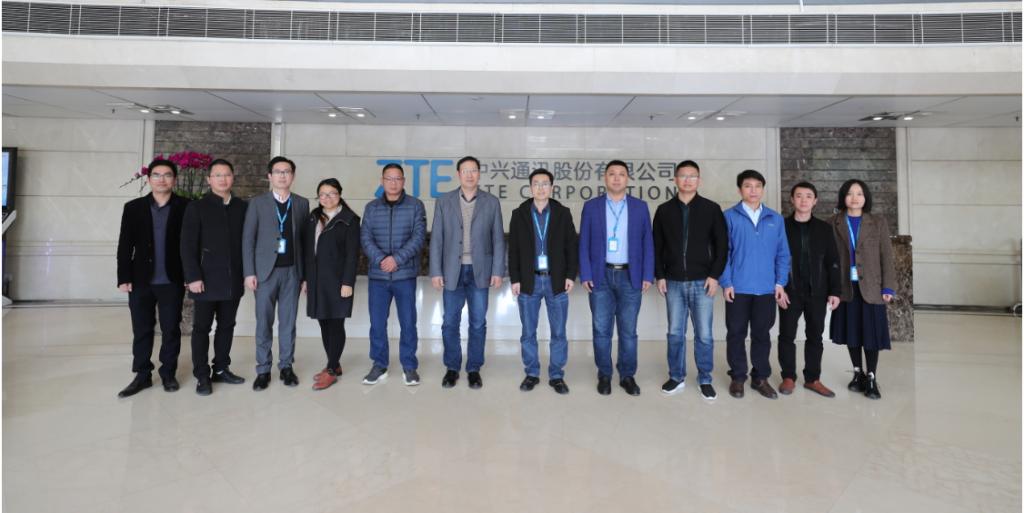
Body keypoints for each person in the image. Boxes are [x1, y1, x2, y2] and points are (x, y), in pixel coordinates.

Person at [652, 160, 728, 401]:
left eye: (692, 176)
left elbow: (722, 246)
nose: (687, 180)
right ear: (675, 179)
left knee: (704, 334)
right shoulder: (664, 210)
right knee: (675, 333)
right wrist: (660, 275)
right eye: (683, 176)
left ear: (699, 180)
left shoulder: (711, 209)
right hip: (673, 281)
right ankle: (676, 376)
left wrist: (714, 275)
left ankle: (705, 378)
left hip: (703, 281)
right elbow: (656, 247)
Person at [115, 158, 190, 398]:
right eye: (156, 175)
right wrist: (123, 277)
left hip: (172, 279)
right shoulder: (133, 208)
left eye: (167, 175)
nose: (161, 179)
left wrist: (191, 274)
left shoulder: (186, 207)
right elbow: (125, 245)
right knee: (142, 329)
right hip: (140, 280)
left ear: (174, 180)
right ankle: (142, 375)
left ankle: (168, 373)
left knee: (171, 329)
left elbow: (191, 245)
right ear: (148, 179)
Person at [429, 156, 506, 390]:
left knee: (478, 323)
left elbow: (498, 239)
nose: (470, 175)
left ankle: (474, 369)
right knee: (449, 322)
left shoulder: (491, 202)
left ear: (479, 174)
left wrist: (498, 271)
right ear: (458, 174)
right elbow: (437, 239)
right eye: (465, 171)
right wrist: (435, 271)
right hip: (452, 271)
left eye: (474, 171)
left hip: (480, 271)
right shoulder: (444, 201)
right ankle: (452, 367)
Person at [579, 160, 654, 396]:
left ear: (628, 178)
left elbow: (648, 242)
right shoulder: (591, 207)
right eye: (612, 174)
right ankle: (604, 374)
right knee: (601, 330)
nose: (617, 178)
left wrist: (647, 274)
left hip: (631, 276)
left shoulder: (640, 207)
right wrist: (586, 273)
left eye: (621, 174)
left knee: (628, 331)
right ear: (605, 178)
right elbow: (583, 243)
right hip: (600, 276)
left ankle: (627, 375)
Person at [720, 169, 791, 400]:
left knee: (762, 334)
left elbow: (783, 254)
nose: (753, 190)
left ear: (763, 189)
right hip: (738, 287)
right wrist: (726, 282)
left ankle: (760, 377)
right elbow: (723, 253)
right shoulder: (729, 217)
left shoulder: (775, 219)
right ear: (739, 189)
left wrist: (780, 283)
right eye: (748, 186)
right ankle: (738, 377)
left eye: (757, 186)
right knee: (736, 333)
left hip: (766, 288)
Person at [179, 158, 248, 396]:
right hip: (205, 280)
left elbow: (248, 243)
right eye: (217, 175)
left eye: (227, 174)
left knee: (227, 326)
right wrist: (193, 276)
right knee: (202, 328)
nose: (223, 179)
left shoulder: (241, 207)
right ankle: (201, 375)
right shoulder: (197, 207)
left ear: (232, 178)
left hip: (233, 279)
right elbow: (187, 245)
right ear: (209, 179)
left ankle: (221, 368)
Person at [242, 156, 310, 391]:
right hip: (264, 273)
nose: (282, 175)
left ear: (293, 176)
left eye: (287, 171)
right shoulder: (257, 203)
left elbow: (305, 242)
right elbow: (248, 239)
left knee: (288, 323)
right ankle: (263, 369)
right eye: (278, 172)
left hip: (292, 272)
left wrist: (305, 276)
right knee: (264, 322)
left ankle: (286, 367)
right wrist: (249, 272)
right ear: (270, 176)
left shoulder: (301, 203)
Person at [508, 168, 578, 395]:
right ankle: (532, 373)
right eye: (536, 184)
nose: (540, 188)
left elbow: (571, 247)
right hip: (529, 281)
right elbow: (513, 250)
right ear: (530, 188)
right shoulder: (519, 214)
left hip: (556, 281)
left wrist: (570, 275)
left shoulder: (562, 213)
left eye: (545, 183)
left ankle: (557, 375)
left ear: (552, 187)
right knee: (528, 332)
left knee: (558, 332)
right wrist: (515, 278)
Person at [360, 163, 427, 386]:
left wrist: (396, 259)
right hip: (378, 276)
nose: (393, 183)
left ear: (404, 181)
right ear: (382, 181)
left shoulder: (415, 206)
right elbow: (365, 238)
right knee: (377, 323)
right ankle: (379, 365)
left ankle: (409, 366)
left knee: (408, 322)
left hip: (404, 275)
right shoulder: (371, 208)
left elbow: (418, 237)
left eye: (397, 178)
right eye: (389, 178)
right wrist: (382, 260)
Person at [829, 179, 896, 400]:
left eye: (859, 193)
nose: (855, 198)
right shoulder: (833, 222)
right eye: (850, 193)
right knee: (852, 332)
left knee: (871, 334)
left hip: (872, 288)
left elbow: (886, 256)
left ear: (866, 197)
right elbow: (829, 259)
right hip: (845, 288)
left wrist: (888, 286)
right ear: (843, 197)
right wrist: (831, 289)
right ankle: (858, 373)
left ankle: (872, 377)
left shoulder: (877, 222)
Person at [775, 182, 842, 398]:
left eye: (808, 196)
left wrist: (835, 291)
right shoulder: (781, 226)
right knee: (786, 335)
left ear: (815, 201)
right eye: (799, 196)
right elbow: (773, 259)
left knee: (815, 335)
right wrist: (778, 287)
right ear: (791, 199)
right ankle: (788, 377)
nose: (803, 200)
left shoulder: (824, 229)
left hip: (817, 292)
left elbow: (833, 261)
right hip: (789, 291)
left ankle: (813, 379)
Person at [302, 178, 360, 391]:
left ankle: (332, 369)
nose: (327, 198)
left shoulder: (349, 219)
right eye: (323, 194)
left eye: (332, 193)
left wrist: (347, 282)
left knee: (336, 323)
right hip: (316, 280)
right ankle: (333, 364)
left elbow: (353, 255)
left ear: (340, 194)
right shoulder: (313, 217)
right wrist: (306, 279)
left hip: (338, 281)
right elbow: (307, 250)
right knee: (323, 322)